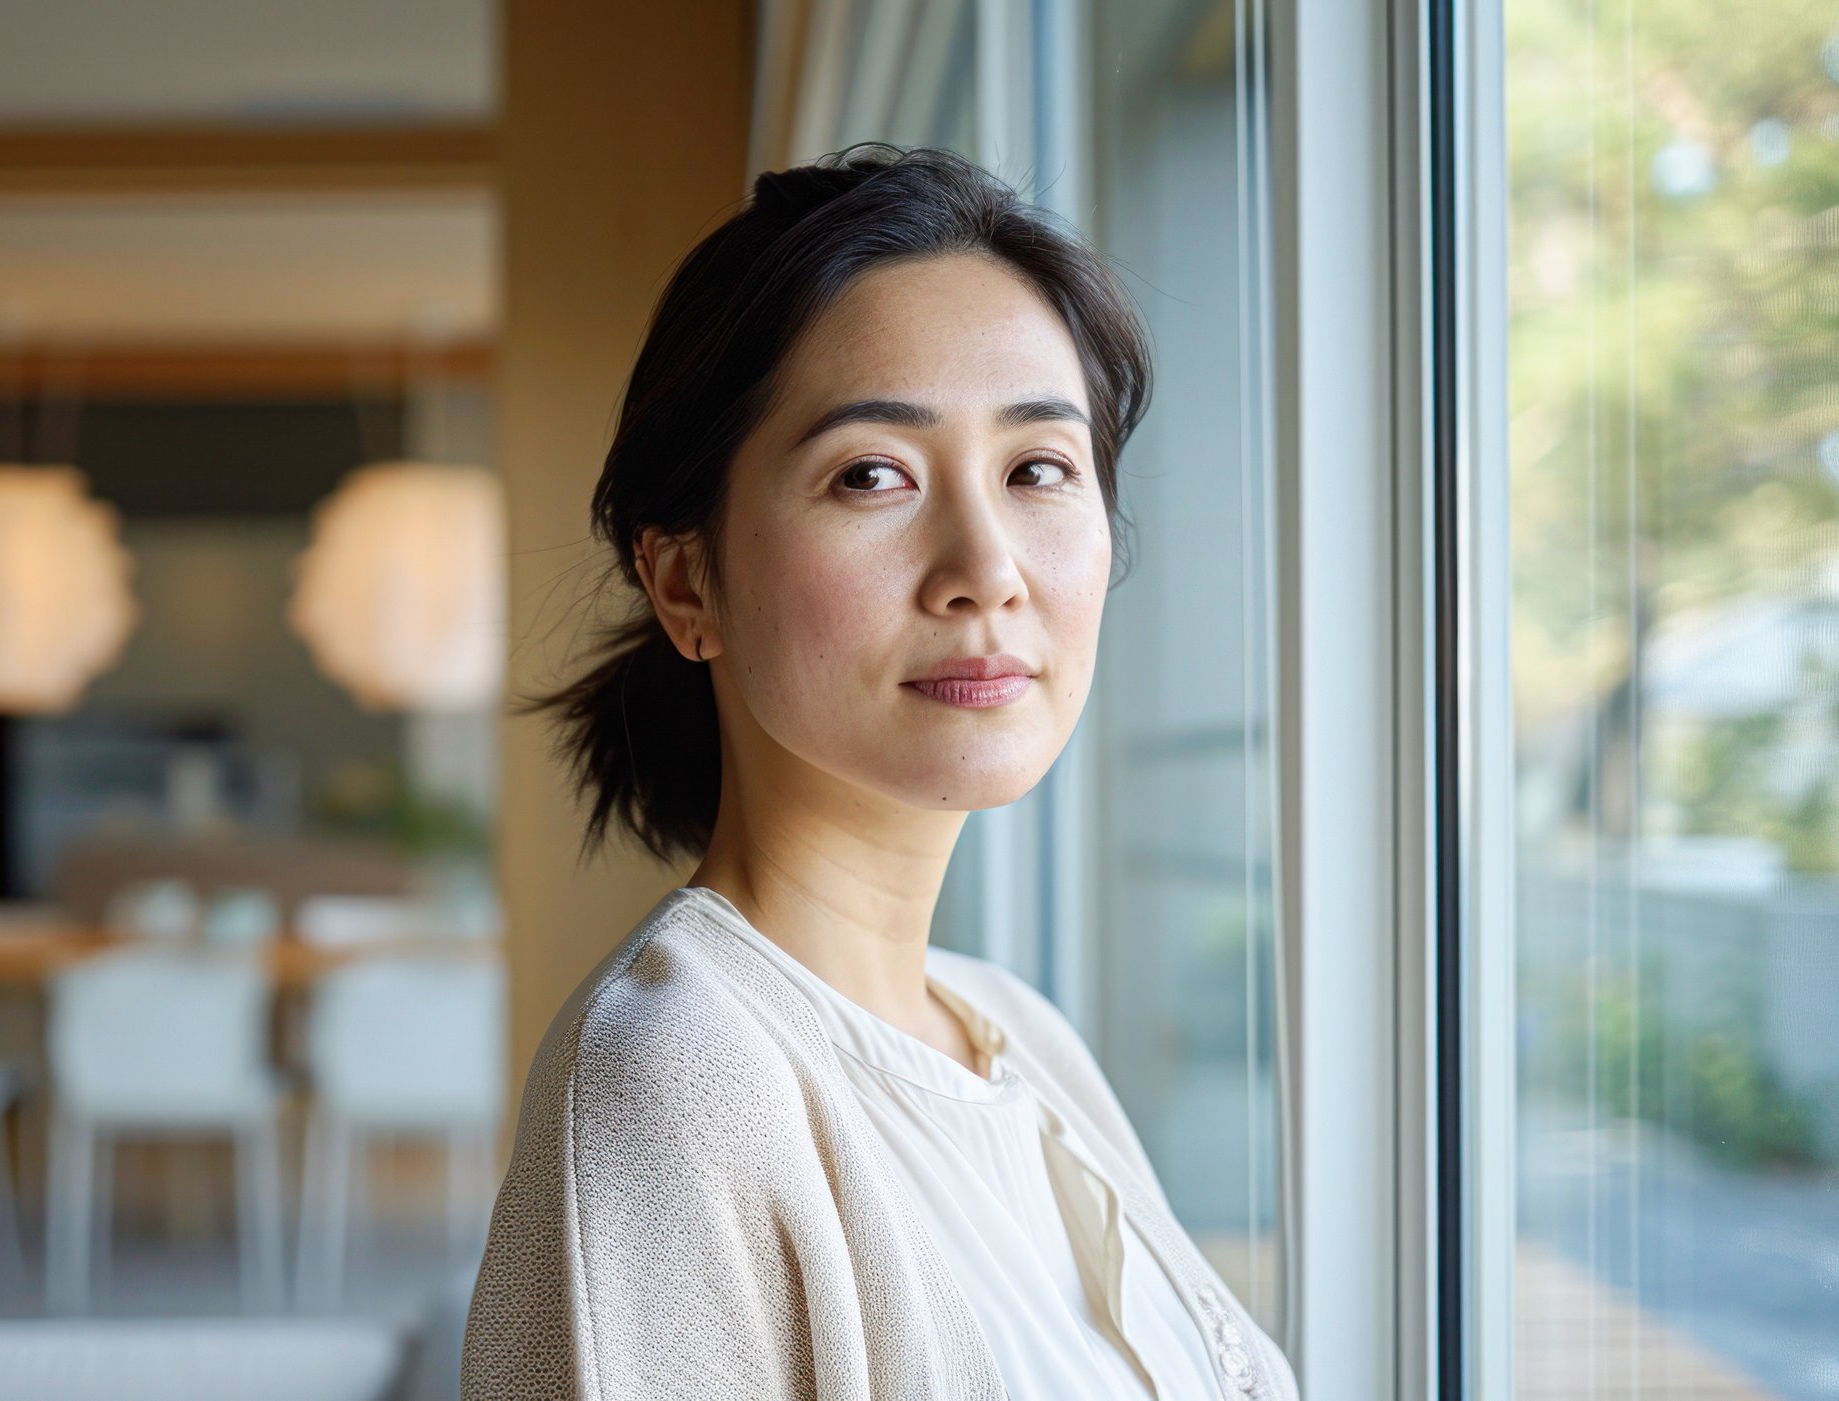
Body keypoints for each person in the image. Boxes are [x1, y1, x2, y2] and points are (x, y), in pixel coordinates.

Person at [457, 145, 1298, 1401]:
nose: (986, 566)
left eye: (1038, 471)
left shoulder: (1012, 1031)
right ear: (688, 583)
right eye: (872, 476)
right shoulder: (682, 1075)